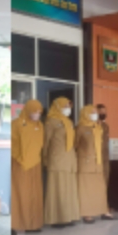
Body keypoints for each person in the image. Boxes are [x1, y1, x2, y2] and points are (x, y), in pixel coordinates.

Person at [43, 97, 80, 228]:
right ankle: (56, 219)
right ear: (57, 107)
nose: (68, 109)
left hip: (69, 160)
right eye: (65, 106)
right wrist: (45, 158)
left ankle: (67, 217)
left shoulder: (69, 122)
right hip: (57, 160)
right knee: (57, 189)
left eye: (69, 107)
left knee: (68, 190)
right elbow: (45, 142)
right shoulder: (50, 122)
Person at [75, 105, 116, 224]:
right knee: (86, 190)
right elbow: (74, 145)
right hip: (86, 164)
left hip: (98, 163)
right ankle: (87, 214)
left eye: (95, 112)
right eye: (92, 112)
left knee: (100, 189)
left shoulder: (98, 128)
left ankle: (103, 211)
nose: (95, 114)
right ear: (86, 113)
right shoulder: (80, 128)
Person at [11, 99, 44, 235]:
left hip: (35, 164)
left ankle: (32, 225)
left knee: (33, 194)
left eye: (39, 112)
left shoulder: (40, 126)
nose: (37, 114)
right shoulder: (17, 123)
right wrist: (19, 157)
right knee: (18, 194)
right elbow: (13, 143)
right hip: (19, 164)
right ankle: (13, 225)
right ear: (28, 110)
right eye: (34, 111)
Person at [96, 104, 111, 190]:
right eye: (101, 112)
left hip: (105, 156)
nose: (103, 113)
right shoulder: (92, 125)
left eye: (104, 112)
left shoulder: (106, 126)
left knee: (105, 179)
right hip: (97, 157)